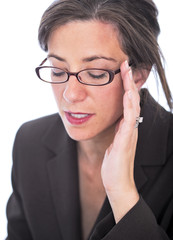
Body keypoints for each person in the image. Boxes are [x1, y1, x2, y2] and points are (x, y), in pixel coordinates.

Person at [6, 0, 173, 239]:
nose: (70, 94)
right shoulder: (29, 143)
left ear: (138, 74)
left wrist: (122, 194)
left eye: (95, 74)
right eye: (58, 70)